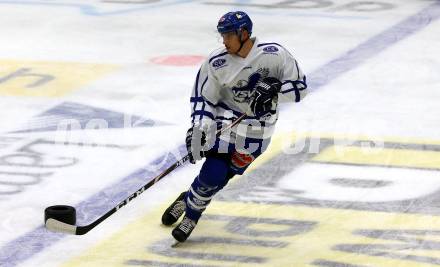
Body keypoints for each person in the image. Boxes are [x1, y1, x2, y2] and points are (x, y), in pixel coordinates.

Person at [161, 11, 308, 242]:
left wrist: (276, 89)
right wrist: (199, 129)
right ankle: (192, 216)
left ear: (244, 33)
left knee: (222, 178)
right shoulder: (216, 62)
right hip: (227, 128)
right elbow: (204, 100)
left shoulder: (275, 55)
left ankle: (188, 198)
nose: (224, 41)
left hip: (258, 135)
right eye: (222, 36)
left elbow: (301, 88)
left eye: (229, 35)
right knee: (212, 174)